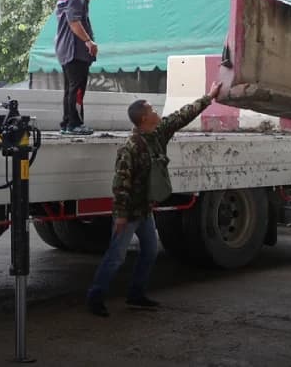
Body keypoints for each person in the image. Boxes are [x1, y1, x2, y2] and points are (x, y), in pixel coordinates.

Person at [86, 81, 223, 317]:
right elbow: (120, 184)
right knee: (116, 256)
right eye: (152, 111)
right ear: (143, 119)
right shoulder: (130, 148)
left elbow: (182, 116)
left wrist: (208, 97)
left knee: (150, 251)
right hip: (129, 213)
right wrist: (119, 216)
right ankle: (95, 297)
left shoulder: (158, 134)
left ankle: (136, 295)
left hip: (145, 209)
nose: (157, 113)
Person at [55, 0, 98, 135]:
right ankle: (75, 124)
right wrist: (88, 41)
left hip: (65, 49)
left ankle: (66, 123)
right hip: (76, 50)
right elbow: (74, 22)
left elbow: (72, 16)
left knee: (70, 89)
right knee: (78, 89)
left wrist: (85, 0)